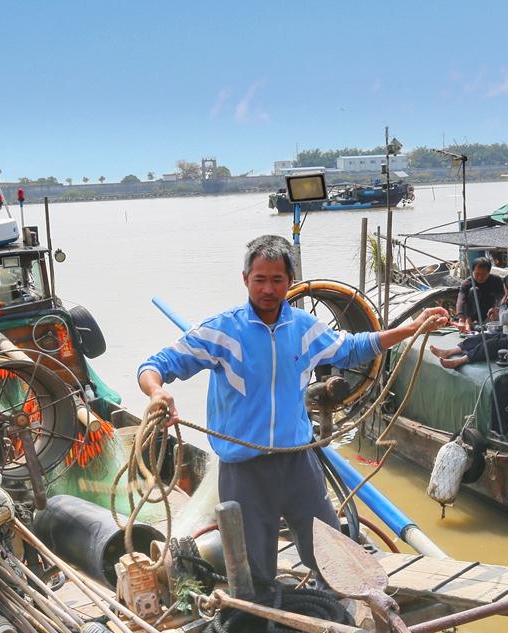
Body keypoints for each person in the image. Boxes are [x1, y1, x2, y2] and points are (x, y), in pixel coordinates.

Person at [137, 235, 448, 598]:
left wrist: (409, 329)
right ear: (245, 279)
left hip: (297, 462)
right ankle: (262, 624)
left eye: (277, 280)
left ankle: (336, 609)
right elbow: (156, 365)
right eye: (260, 279)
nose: (268, 289)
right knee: (254, 571)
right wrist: (157, 391)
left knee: (330, 550)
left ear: (290, 281)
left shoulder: (304, 328)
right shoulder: (221, 331)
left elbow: (351, 349)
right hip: (243, 469)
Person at [434, 272, 508, 369]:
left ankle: (460, 361)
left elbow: (504, 320)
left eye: (505, 289)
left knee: (489, 345)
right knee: (482, 337)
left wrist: (502, 305)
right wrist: (499, 310)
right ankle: (449, 352)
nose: (505, 292)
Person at [455, 257, 505, 322]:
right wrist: (461, 316)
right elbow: (461, 300)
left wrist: (497, 309)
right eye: (477, 274)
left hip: (489, 312)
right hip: (472, 314)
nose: (480, 277)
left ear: (489, 272)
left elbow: (501, 297)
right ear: (472, 272)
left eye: (484, 274)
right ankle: (472, 320)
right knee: (474, 290)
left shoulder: (496, 280)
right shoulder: (467, 283)